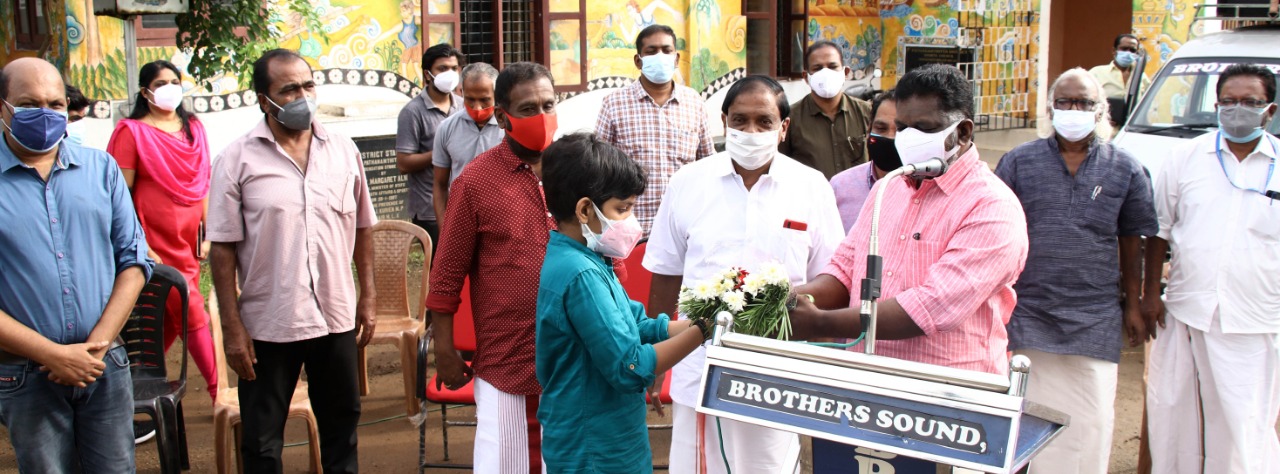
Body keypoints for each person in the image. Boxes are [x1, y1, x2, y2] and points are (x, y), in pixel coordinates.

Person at [644, 75, 844, 474]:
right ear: (724, 122)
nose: (750, 131)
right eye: (739, 120)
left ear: (783, 128)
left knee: (769, 467)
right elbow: (666, 274)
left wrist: (819, 362)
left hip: (777, 373)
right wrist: (655, 361)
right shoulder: (688, 183)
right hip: (698, 365)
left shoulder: (811, 186)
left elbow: (834, 280)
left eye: (763, 121)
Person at [788, 63, 1028, 375]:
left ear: (963, 132)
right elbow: (845, 270)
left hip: (947, 389)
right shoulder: (888, 188)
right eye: (903, 128)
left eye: (924, 129)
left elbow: (935, 305)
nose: (907, 139)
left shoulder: (991, 206)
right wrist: (788, 301)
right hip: (865, 378)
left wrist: (820, 322)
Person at [207, 49, 377, 473]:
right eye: (289, 89)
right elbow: (222, 248)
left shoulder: (343, 150)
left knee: (342, 429)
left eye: (308, 85)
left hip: (335, 317)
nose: (303, 96)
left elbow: (362, 227)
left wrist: (368, 295)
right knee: (262, 442)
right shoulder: (236, 159)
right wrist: (232, 327)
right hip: (269, 323)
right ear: (264, 100)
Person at [994, 68, 1157, 474]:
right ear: (1051, 108)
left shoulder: (1125, 167)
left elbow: (1133, 239)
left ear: (1100, 110)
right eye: (1065, 101)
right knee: (1029, 415)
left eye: (1084, 102)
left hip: (1094, 314)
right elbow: (997, 228)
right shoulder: (1019, 161)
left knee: (1091, 420)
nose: (1074, 109)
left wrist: (1134, 304)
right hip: (1030, 310)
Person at [0, 57, 153, 473]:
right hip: (27, 374)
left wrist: (95, 348)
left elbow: (134, 261)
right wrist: (53, 355)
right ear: (3, 107)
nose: (46, 113)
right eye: (29, 104)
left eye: (54, 103)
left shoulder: (101, 170)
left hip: (104, 366)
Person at [536, 132, 707, 473]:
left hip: (611, 436)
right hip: (594, 448)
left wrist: (707, 319)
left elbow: (639, 325)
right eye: (622, 209)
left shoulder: (589, 258)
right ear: (585, 209)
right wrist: (702, 331)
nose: (631, 221)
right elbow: (629, 367)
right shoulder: (581, 274)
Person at [1143, 63, 1280, 474]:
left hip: (1256, 318)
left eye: (1250, 102)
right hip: (1188, 310)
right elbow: (1159, 231)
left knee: (1244, 424)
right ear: (1216, 105)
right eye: (1229, 102)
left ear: (1270, 110)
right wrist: (1150, 294)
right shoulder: (1186, 158)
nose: (1238, 110)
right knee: (1175, 415)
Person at [426, 61, 559, 473]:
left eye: (548, 105)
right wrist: (445, 349)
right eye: (528, 109)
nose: (541, 116)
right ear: (503, 117)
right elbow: (446, 275)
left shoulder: (576, 171)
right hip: (509, 361)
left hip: (576, 359)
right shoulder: (476, 182)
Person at [106, 60, 219, 404]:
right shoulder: (131, 132)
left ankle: (132, 386)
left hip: (188, 241)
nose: (170, 87)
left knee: (169, 315)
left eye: (174, 81)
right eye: (161, 83)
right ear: (145, 92)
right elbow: (119, 194)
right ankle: (220, 392)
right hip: (153, 239)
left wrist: (208, 233)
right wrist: (138, 242)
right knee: (190, 308)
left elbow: (203, 182)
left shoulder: (193, 128)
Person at [596, 24, 715, 235]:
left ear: (676, 59)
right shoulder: (613, 104)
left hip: (684, 225)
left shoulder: (694, 103)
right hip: (632, 229)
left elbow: (709, 165)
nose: (660, 56)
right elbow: (598, 168)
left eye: (666, 50)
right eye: (651, 51)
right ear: (638, 60)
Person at [397, 43, 462, 253]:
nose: (450, 74)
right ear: (427, 74)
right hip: (429, 209)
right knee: (438, 265)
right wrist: (440, 153)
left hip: (463, 204)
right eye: (442, 69)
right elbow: (403, 163)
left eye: (454, 68)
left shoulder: (463, 106)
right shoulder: (412, 112)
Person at [780, 40, 873, 180]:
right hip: (810, 194)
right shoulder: (790, 119)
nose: (825, 73)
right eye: (817, 68)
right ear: (806, 77)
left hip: (858, 194)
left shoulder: (867, 113)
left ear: (845, 72)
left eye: (832, 66)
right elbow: (781, 165)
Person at [432, 61, 503, 224]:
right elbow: (440, 185)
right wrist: (445, 228)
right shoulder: (446, 128)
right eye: (470, 99)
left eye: (484, 100)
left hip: (500, 220)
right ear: (462, 92)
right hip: (461, 219)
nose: (477, 107)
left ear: (496, 95)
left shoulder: (509, 129)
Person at [829, 89, 900, 232]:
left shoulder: (928, 189)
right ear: (868, 130)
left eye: (900, 130)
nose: (890, 137)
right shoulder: (840, 186)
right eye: (881, 128)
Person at [1088, 33, 1150, 101]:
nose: (1128, 53)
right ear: (1114, 51)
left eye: (1132, 50)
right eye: (1124, 49)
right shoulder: (1096, 73)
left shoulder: (1141, 77)